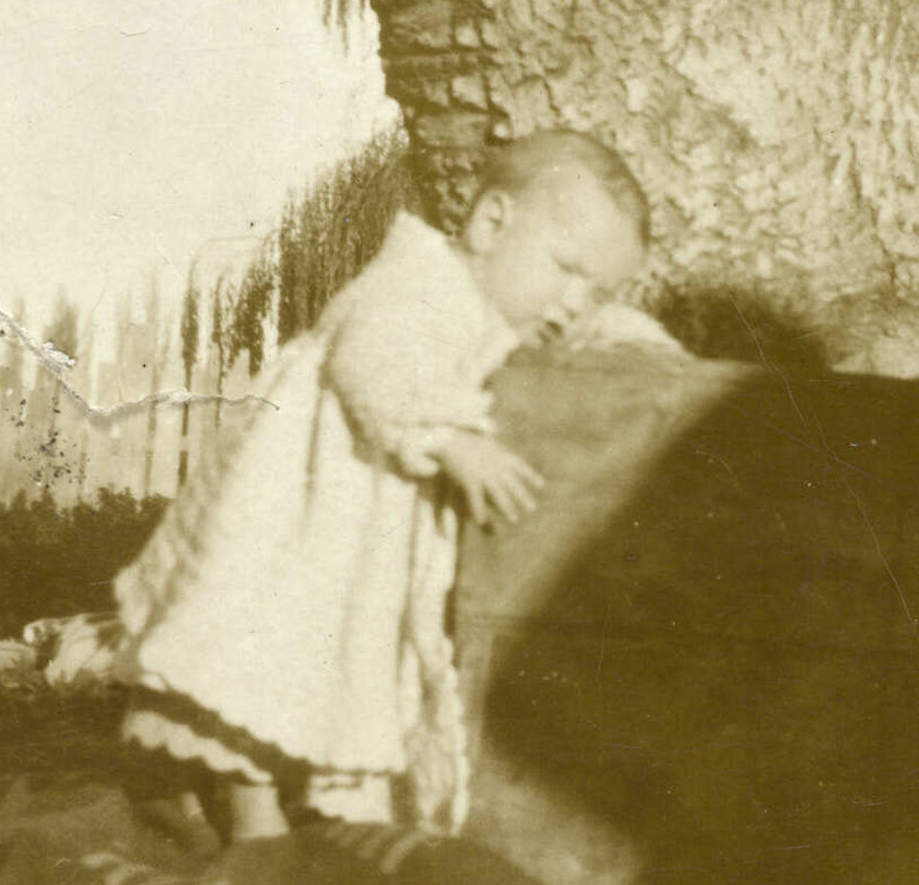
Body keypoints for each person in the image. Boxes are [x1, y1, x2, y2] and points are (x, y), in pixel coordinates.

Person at [112, 130, 652, 843]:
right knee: (261, 647)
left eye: (597, 291)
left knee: (326, 659)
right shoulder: (417, 281)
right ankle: (251, 814)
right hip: (298, 505)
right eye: (566, 270)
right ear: (491, 223)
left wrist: (634, 338)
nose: (574, 301)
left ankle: (299, 798)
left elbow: (561, 336)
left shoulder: (489, 307)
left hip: (353, 516)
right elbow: (377, 360)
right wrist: (450, 438)